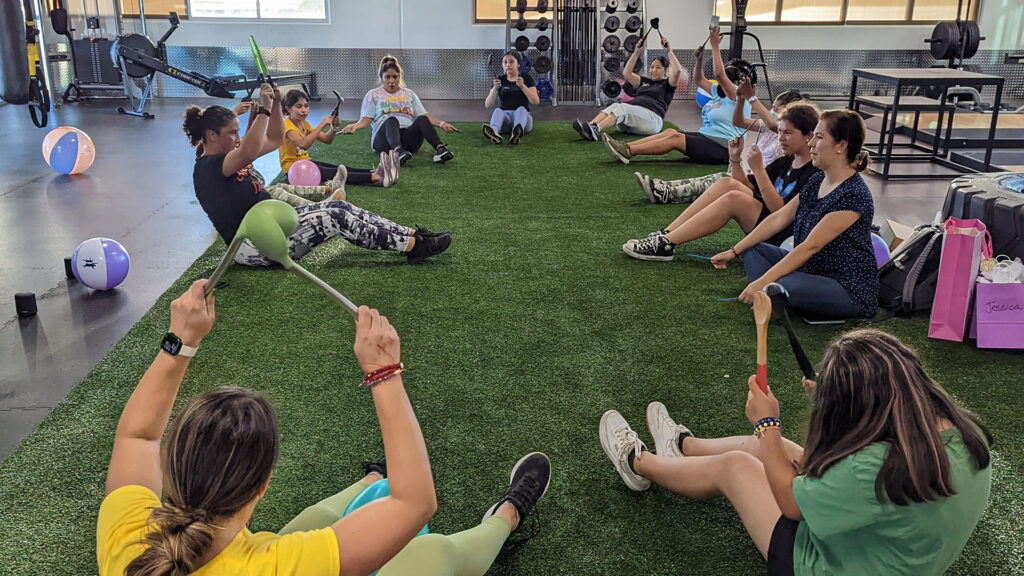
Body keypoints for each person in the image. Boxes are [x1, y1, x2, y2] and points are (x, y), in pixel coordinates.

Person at [97, 282, 553, 576]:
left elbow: (136, 437)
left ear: (170, 467)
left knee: (318, 522)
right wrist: (383, 372)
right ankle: (509, 514)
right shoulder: (274, 569)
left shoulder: (129, 532)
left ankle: (371, 478)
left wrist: (183, 341)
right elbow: (416, 503)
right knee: (430, 557)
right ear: (263, 486)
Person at [599, 329, 993, 576]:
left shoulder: (874, 468)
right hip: (884, 545)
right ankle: (686, 448)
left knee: (740, 465)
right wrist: (834, 400)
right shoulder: (961, 430)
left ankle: (639, 463)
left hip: (822, 564)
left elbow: (791, 505)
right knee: (777, 450)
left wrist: (767, 425)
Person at [183, 87, 452, 267]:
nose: (237, 138)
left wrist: (277, 104)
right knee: (335, 218)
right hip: (256, 246)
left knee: (340, 206)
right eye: (232, 132)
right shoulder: (209, 167)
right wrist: (263, 110)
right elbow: (251, 148)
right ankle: (412, 247)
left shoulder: (226, 156)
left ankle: (414, 235)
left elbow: (274, 139)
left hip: (274, 225)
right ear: (211, 137)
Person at [709, 110, 879, 320]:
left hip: (845, 287)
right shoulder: (818, 180)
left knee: (781, 284)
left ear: (841, 146)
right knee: (754, 250)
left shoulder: (854, 194)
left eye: (819, 137)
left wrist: (762, 281)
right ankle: (776, 297)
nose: (811, 144)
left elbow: (811, 246)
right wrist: (734, 251)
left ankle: (776, 296)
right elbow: (779, 218)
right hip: (809, 271)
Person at [623, 102, 820, 262]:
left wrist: (758, 169)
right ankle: (667, 234)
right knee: (727, 183)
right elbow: (746, 185)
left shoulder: (815, 172)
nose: (781, 138)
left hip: (784, 234)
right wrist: (735, 158)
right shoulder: (786, 161)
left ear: (809, 135)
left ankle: (666, 244)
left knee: (734, 198)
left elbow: (780, 213)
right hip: (768, 221)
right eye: (780, 132)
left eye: (788, 133)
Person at [600, 28, 752, 166]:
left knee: (675, 139)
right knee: (670, 133)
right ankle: (626, 147)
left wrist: (715, 46)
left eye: (730, 74)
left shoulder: (739, 94)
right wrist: (699, 60)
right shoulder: (719, 92)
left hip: (722, 147)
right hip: (706, 136)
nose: (653, 70)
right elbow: (699, 80)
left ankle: (628, 151)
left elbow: (718, 74)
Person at [634, 87, 805, 204]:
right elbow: (738, 121)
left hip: (763, 184)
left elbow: (774, 122)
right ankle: (667, 189)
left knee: (722, 180)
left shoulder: (782, 131)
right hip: (753, 177)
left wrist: (752, 97)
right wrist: (741, 99)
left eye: (777, 108)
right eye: (772, 108)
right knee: (715, 179)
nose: (772, 111)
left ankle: (668, 193)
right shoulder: (766, 125)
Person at [341, 56, 457, 165]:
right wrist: (355, 126)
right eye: (387, 77)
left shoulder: (409, 94)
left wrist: (442, 124)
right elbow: (366, 119)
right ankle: (397, 151)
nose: (391, 81)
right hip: (384, 140)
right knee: (392, 120)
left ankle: (440, 150)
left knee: (422, 119)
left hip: (408, 140)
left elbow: (425, 115)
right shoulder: (373, 94)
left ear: (399, 77)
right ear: (381, 78)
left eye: (395, 77)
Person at [572, 35, 684, 141]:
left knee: (623, 107)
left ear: (666, 70)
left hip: (652, 121)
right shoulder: (645, 81)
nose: (653, 70)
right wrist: (636, 53)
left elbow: (678, 70)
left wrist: (669, 50)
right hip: (632, 121)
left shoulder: (667, 84)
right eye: (652, 67)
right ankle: (590, 127)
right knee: (616, 105)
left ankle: (596, 129)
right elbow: (626, 73)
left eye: (658, 68)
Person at [278, 90, 399, 188]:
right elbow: (303, 144)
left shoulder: (304, 123)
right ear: (288, 109)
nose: (304, 110)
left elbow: (327, 139)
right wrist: (321, 124)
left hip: (306, 163)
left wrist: (333, 127)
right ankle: (376, 178)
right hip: (293, 169)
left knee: (338, 168)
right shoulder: (286, 125)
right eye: (299, 106)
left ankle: (374, 172)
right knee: (336, 173)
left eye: (306, 106)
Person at [482, 50, 539, 145]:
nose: (508, 65)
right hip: (506, 119)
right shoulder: (499, 80)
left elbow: (535, 101)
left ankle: (516, 132)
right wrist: (495, 89)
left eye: (511, 62)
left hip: (524, 120)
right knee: (497, 111)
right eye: (505, 62)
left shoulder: (526, 78)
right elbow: (488, 104)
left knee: (521, 109)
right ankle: (494, 132)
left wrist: (522, 86)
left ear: (518, 64)